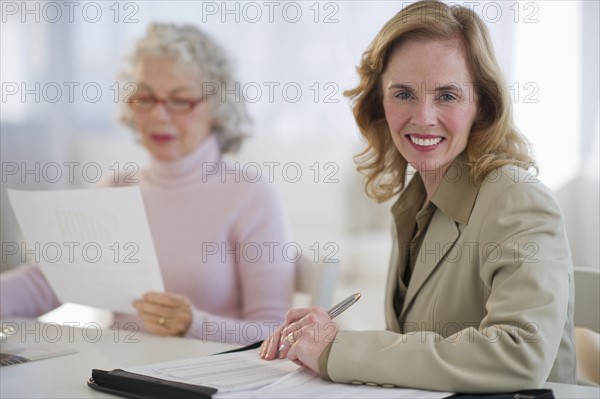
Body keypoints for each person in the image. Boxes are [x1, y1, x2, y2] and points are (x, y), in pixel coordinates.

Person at [260, 0, 576, 392]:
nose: (423, 117)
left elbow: (519, 352)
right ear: (380, 101)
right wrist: (327, 337)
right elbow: (421, 347)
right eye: (403, 93)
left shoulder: (517, 199)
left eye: (446, 95)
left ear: (482, 105)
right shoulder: (414, 203)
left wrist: (340, 350)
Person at [0, 23, 294, 344]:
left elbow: (274, 333)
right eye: (145, 98)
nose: (158, 115)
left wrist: (193, 324)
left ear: (218, 108)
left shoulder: (252, 196)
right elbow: (44, 283)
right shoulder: (116, 189)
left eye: (180, 100)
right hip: (117, 380)